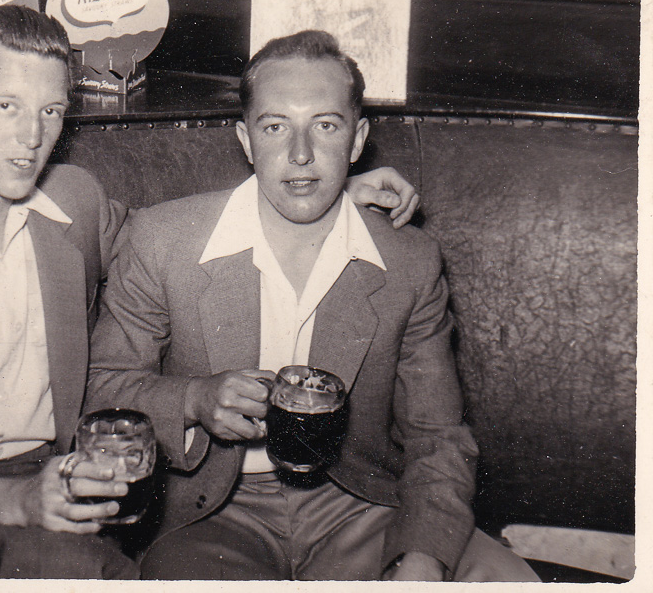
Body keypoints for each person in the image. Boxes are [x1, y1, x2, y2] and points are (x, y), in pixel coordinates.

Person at [0, 6, 421, 578]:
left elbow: (169, 239)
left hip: (59, 502)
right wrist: (12, 499)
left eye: (50, 110)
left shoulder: (73, 199)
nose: (31, 136)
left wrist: (325, 196)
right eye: (5, 106)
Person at [86, 29, 540, 581]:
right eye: (275, 127)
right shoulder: (164, 240)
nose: (300, 154)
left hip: (361, 504)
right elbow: (101, 385)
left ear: (357, 139)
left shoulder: (410, 261)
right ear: (246, 140)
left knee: (507, 580)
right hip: (211, 517)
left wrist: (422, 556)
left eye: (325, 125)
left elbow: (438, 436)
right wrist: (195, 398)